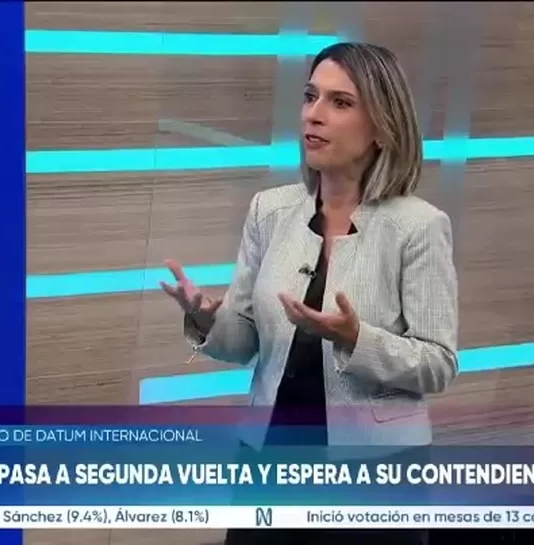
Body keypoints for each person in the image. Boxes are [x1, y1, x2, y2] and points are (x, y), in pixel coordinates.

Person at [160, 42, 457, 545]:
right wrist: (207, 318)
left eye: (340, 103)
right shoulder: (270, 211)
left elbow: (438, 362)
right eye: (310, 96)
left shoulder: (418, 227)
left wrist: (356, 339)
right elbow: (244, 342)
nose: (314, 115)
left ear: (382, 126)